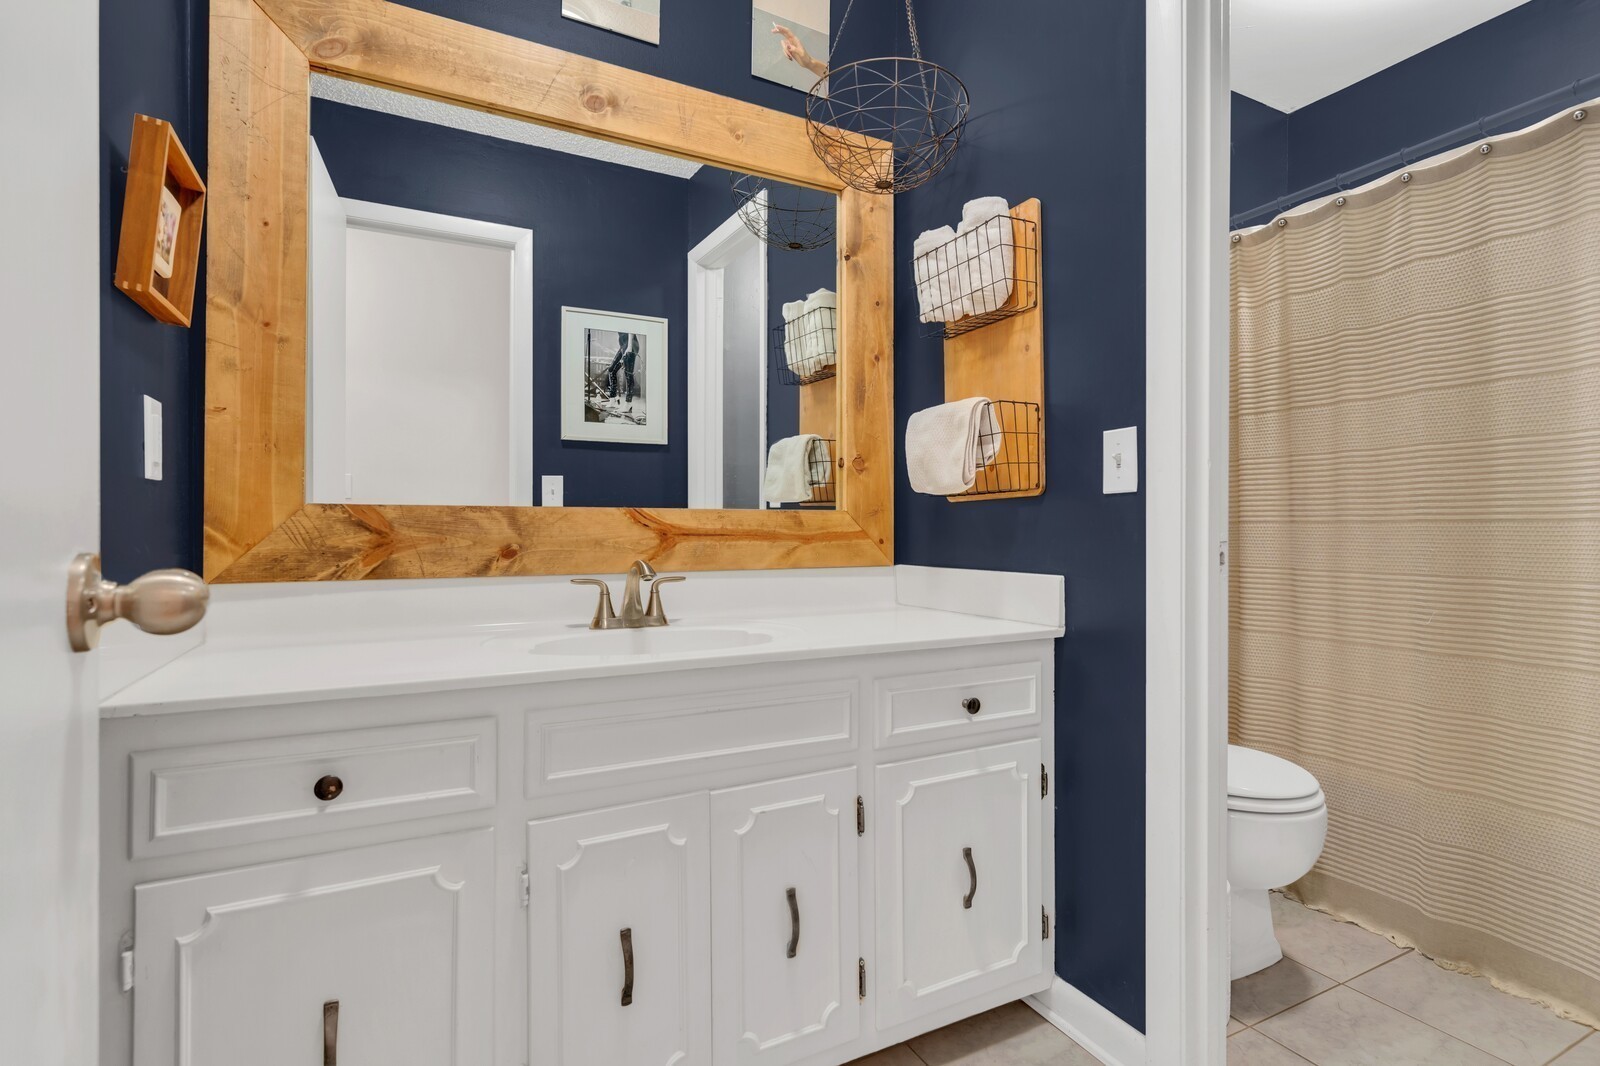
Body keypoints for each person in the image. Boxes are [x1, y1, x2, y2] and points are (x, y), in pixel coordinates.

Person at [605, 333, 640, 405]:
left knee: (628, 374)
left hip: (630, 345)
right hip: (624, 345)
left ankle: (628, 403)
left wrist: (629, 347)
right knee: (611, 369)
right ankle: (613, 398)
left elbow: (631, 330)